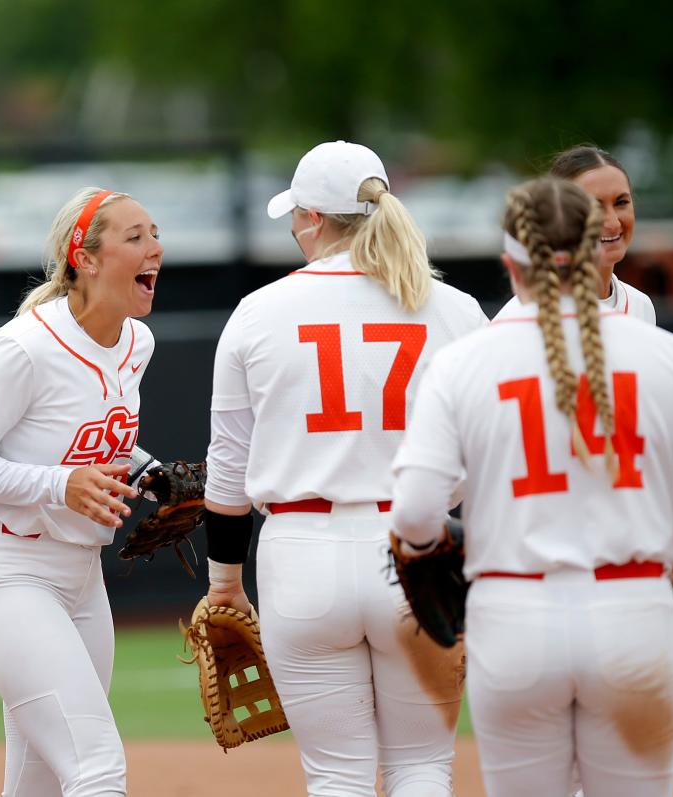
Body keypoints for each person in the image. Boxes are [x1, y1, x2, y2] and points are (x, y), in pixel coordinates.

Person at [390, 177, 673, 797]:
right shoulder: (667, 354)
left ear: (509, 263)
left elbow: (417, 510)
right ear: (595, 249)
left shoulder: (464, 361)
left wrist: (439, 555)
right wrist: (660, 554)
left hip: (515, 616)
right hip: (632, 612)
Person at [201, 141, 487, 795]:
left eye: (295, 216)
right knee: (422, 766)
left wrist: (224, 582)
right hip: (419, 545)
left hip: (301, 554)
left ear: (312, 219)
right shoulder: (457, 308)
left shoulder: (258, 312)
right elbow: (486, 453)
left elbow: (227, 472)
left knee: (337, 777)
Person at [0, 187, 163, 796]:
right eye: (134, 238)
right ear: (83, 258)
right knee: (97, 768)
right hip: (8, 573)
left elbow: (95, 440)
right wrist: (61, 485)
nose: (155, 250)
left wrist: (151, 472)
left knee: (42, 785)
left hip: (82, 579)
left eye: (154, 235)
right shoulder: (23, 346)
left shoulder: (136, 343)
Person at [496, 145, 654, 322]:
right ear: (559, 214)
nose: (613, 222)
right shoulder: (516, 317)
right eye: (594, 206)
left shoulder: (641, 306)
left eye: (621, 202)